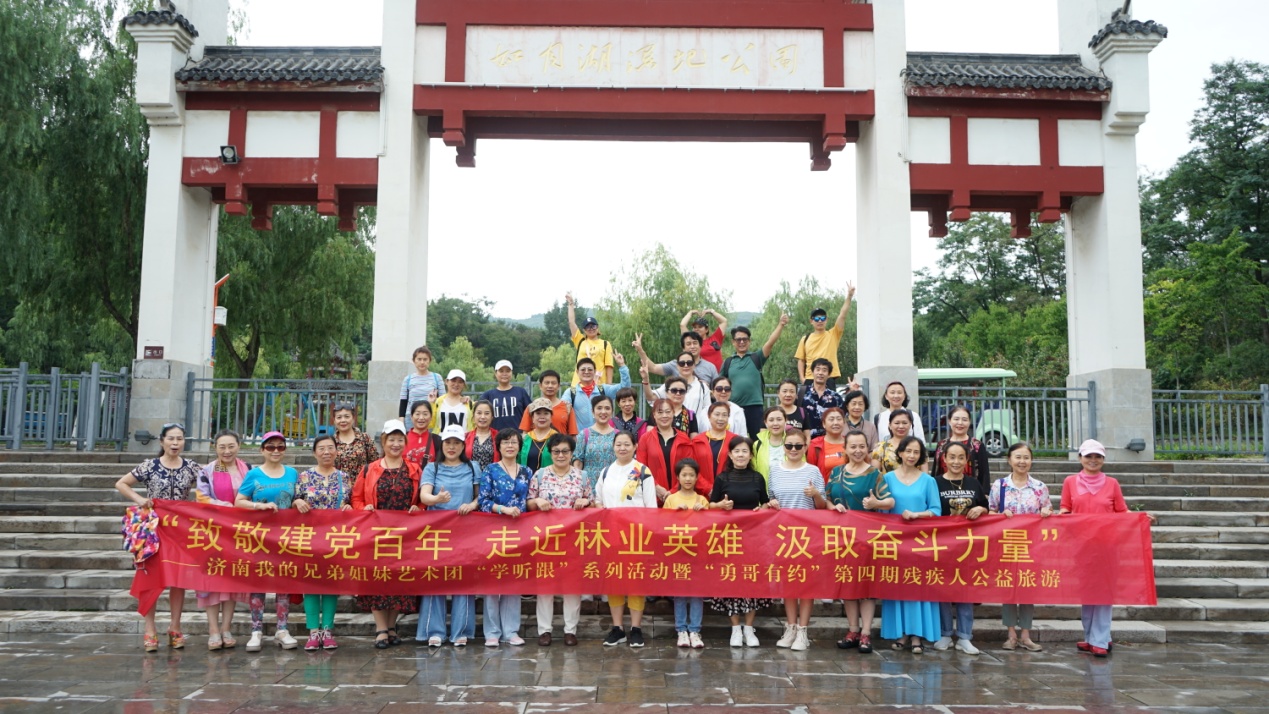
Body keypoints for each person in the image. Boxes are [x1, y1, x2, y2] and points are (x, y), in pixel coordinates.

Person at [1060, 439, 1154, 657]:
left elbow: (1122, 511)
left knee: (1104, 593)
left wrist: (1140, 518)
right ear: (1080, 458)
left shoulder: (1112, 483)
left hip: (1107, 547)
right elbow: (1065, 507)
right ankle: (1090, 636)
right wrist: (1061, 517)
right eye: (1088, 456)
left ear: (1103, 459)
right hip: (1082, 547)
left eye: (1097, 457)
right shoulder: (1070, 482)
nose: (1093, 460)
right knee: (1087, 593)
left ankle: (1100, 640)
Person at [115, 422, 200, 652]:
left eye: (179, 439)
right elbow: (121, 483)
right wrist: (139, 499)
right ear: (162, 441)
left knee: (178, 579)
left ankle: (175, 627)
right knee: (150, 578)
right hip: (152, 529)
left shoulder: (191, 467)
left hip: (180, 530)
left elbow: (209, 483)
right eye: (171, 438)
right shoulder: (149, 466)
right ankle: (150, 628)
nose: (175, 443)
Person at [351, 420, 422, 649]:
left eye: (400, 439)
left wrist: (418, 508)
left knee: (398, 580)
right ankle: (381, 629)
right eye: (391, 439)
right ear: (383, 441)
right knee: (377, 580)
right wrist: (364, 509)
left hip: (404, 535)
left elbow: (421, 498)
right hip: (376, 535)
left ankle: (392, 627)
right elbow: (356, 498)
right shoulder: (369, 468)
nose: (395, 444)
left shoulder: (414, 468)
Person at [826, 430, 893, 654]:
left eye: (862, 446)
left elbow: (890, 501)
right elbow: (826, 500)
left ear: (868, 448)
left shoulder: (874, 474)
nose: (857, 450)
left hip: (867, 538)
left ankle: (866, 632)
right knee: (848, 584)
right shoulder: (836, 472)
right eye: (853, 446)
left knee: (866, 585)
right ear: (845, 448)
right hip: (842, 538)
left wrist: (876, 503)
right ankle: (852, 630)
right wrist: (833, 507)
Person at [707, 436, 777, 646]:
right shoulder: (722, 478)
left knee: (751, 580)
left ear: (750, 455)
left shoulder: (757, 478)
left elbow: (764, 503)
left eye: (744, 451)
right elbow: (711, 505)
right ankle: (735, 628)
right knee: (731, 581)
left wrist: (763, 508)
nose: (740, 455)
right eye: (736, 451)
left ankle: (749, 627)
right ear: (730, 454)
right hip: (729, 539)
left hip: (753, 538)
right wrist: (721, 506)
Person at [234, 431, 300, 652]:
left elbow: (296, 498)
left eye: (280, 447)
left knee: (283, 583)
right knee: (258, 583)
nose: (275, 451)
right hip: (259, 537)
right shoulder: (254, 474)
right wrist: (258, 506)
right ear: (262, 450)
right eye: (270, 447)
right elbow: (239, 501)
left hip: (285, 537)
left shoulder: (292, 473)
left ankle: (282, 629)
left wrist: (297, 501)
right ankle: (256, 631)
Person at [418, 424, 481, 648]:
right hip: (438, 532)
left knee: (463, 578)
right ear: (441, 445)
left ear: (463, 446)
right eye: (448, 443)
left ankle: (461, 630)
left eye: (456, 443)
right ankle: (434, 630)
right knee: (435, 579)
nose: (452, 447)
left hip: (465, 531)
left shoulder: (473, 467)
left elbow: (479, 497)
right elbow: (424, 496)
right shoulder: (432, 468)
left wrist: (471, 505)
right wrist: (437, 499)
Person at [528, 433, 593, 647]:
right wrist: (537, 501)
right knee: (545, 586)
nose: (561, 455)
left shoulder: (582, 476)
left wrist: (584, 501)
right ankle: (544, 630)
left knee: (572, 586)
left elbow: (592, 502)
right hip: (546, 539)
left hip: (573, 539)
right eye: (556, 451)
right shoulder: (540, 475)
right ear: (550, 453)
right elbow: (528, 502)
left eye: (565, 451)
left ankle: (570, 630)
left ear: (572, 453)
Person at [595, 430, 658, 647]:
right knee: (614, 580)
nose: (622, 448)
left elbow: (651, 507)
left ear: (635, 446)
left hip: (635, 537)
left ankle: (636, 628)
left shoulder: (643, 471)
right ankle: (617, 628)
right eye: (618, 444)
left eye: (626, 444)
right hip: (611, 536)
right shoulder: (606, 472)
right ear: (613, 447)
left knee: (635, 581)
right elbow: (598, 500)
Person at [881, 436, 942, 654]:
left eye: (916, 452)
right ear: (900, 453)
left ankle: (917, 635)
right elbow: (882, 511)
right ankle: (901, 633)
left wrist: (917, 515)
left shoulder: (928, 480)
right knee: (898, 586)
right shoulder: (887, 478)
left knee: (917, 586)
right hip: (895, 543)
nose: (912, 455)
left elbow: (936, 510)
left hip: (920, 543)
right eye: (908, 451)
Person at [988, 442, 1051, 652]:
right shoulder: (1000, 486)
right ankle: (1011, 634)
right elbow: (990, 512)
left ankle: (1025, 634)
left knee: (1027, 588)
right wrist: (1000, 515)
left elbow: (1048, 510)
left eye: (1026, 457)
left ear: (1031, 460)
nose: (1022, 461)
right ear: (1009, 460)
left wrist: (1047, 512)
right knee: (1008, 588)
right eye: (1018, 457)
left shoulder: (1040, 487)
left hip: (1031, 547)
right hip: (1007, 545)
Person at [768, 429, 827, 651]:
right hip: (782, 534)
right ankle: (790, 627)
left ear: (805, 447)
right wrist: (771, 503)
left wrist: (816, 494)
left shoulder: (813, 471)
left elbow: (822, 506)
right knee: (788, 582)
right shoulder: (775, 470)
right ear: (783, 447)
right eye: (789, 446)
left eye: (798, 446)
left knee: (806, 584)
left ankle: (803, 630)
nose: (793, 450)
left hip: (807, 535)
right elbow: (771, 498)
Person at [295, 434, 354, 651]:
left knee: (331, 583)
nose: (326, 452)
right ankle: (313, 631)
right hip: (309, 538)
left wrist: (349, 507)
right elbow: (292, 502)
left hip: (335, 538)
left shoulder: (344, 477)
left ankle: (327, 630)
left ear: (337, 451)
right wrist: (296, 501)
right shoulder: (304, 476)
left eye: (330, 448)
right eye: (321, 448)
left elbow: (351, 502)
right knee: (310, 583)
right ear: (314, 453)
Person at [932, 441, 989, 655]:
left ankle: (965, 636)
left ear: (967, 461)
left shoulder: (973, 483)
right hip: (942, 545)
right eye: (952, 457)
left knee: (965, 590)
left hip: (968, 546)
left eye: (961, 457)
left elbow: (987, 508)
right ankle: (945, 633)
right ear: (944, 459)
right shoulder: (934, 483)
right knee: (942, 589)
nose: (956, 461)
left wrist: (981, 509)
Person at [195, 429, 249, 651]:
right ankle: (213, 630)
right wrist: (227, 507)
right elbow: (201, 497)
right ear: (215, 448)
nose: (227, 451)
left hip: (239, 533)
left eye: (231, 446)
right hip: (213, 532)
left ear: (239, 446)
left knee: (231, 581)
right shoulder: (207, 471)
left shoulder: (248, 469)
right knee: (212, 581)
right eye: (222, 447)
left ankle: (226, 628)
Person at [479, 429, 533, 647]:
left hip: (520, 532)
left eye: (514, 442)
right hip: (494, 530)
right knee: (493, 580)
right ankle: (492, 631)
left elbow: (529, 499)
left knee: (513, 580)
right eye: (505, 442)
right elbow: (483, 501)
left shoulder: (527, 471)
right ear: (499, 446)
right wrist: (503, 509)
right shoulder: (490, 470)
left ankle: (511, 631)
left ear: (519, 446)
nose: (510, 446)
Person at [664, 458, 708, 649]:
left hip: (697, 554)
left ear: (697, 477)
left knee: (697, 593)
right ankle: (681, 629)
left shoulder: (702, 500)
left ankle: (695, 630)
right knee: (680, 592)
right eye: (684, 475)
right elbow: (660, 525)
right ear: (678, 477)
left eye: (691, 475)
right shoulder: (671, 499)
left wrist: (703, 511)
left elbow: (710, 527)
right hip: (677, 552)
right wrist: (673, 513)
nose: (688, 479)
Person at [721, 316, 788, 439]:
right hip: (734, 407)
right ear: (733, 342)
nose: (742, 342)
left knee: (758, 439)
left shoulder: (756, 357)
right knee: (733, 440)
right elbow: (719, 384)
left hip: (755, 406)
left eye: (745, 339)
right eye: (738, 339)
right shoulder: (728, 362)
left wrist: (781, 324)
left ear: (749, 341)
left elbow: (770, 342)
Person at [794, 282, 854, 384]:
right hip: (810, 378)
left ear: (826, 320)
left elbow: (842, 315)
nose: (820, 321)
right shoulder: (805, 339)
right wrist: (802, 378)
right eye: (817, 319)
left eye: (822, 318)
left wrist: (849, 296)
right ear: (811, 321)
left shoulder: (833, 334)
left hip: (829, 378)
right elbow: (801, 360)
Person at [635, 398, 692, 500]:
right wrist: (655, 487)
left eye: (668, 412)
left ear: (673, 413)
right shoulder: (645, 439)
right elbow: (640, 467)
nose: (664, 416)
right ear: (654, 415)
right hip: (652, 495)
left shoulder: (684, 439)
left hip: (680, 496)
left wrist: (673, 491)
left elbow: (690, 468)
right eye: (660, 412)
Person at [561, 354, 631, 430]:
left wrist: (622, 366)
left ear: (595, 372)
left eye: (590, 370)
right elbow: (562, 408)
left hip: (602, 435)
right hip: (579, 436)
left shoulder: (603, 390)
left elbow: (625, 389)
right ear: (577, 372)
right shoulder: (571, 393)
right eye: (583, 370)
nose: (586, 372)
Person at [687, 401, 738, 496]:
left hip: (728, 492)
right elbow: (691, 468)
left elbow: (739, 467)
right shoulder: (697, 441)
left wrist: (723, 488)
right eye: (717, 414)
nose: (720, 418)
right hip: (701, 494)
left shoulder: (735, 440)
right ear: (709, 416)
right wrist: (708, 488)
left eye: (724, 415)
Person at [640, 349, 710, 419]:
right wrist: (645, 379)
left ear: (694, 365)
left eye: (689, 363)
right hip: (672, 424)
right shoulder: (671, 385)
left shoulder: (703, 387)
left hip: (695, 425)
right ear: (677, 366)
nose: (686, 366)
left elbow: (707, 411)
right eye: (682, 363)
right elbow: (651, 397)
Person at [634, 329, 718, 386]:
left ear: (700, 346)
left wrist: (705, 390)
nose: (692, 346)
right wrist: (640, 350)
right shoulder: (676, 364)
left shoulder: (710, 367)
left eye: (695, 343)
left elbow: (717, 390)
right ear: (683, 348)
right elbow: (653, 368)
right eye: (688, 344)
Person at [932, 406, 991, 483]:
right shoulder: (941, 445)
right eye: (956, 419)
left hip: (970, 489)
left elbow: (984, 474)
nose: (960, 423)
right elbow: (935, 471)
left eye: (964, 420)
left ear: (969, 422)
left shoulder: (977, 446)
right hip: (943, 488)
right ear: (949, 421)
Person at [566, 292, 614, 384]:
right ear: (584, 330)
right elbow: (571, 322)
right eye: (588, 327)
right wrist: (571, 304)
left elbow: (609, 366)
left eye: (593, 326)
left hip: (598, 385)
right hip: (579, 385)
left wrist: (609, 386)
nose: (591, 329)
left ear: (597, 327)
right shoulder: (580, 341)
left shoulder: (605, 344)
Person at [574, 394, 619, 491]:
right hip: (589, 487)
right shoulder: (584, 434)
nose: (603, 411)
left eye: (607, 408)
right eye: (599, 408)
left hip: (613, 486)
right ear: (593, 412)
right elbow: (577, 462)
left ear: (612, 412)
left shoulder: (618, 435)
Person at [518, 370, 578, 436]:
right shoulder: (531, 408)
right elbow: (525, 434)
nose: (550, 386)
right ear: (540, 386)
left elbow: (572, 435)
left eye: (553, 383)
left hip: (560, 442)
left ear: (558, 386)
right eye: (547, 383)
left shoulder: (567, 407)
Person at [332, 402, 379, 481]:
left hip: (362, 485)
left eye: (347, 416)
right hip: (338, 486)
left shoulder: (364, 438)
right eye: (339, 417)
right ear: (334, 420)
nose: (343, 420)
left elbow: (375, 462)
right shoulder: (331, 441)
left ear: (353, 418)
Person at [642, 371, 699, 435]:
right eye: (674, 390)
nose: (678, 393)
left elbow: (694, 439)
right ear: (666, 392)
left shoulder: (690, 415)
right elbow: (649, 435)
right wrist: (645, 379)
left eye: (682, 391)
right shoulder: (657, 411)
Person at [799, 359, 846, 437]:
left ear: (829, 374)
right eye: (818, 369)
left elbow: (842, 418)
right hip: (806, 440)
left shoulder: (836, 397)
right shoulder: (802, 393)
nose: (820, 373)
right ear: (812, 372)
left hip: (828, 440)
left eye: (824, 370)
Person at [480, 359, 531, 431]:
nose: (504, 374)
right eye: (501, 371)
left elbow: (530, 413)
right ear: (495, 373)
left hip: (517, 435)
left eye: (508, 371)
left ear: (512, 373)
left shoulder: (521, 392)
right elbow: (477, 411)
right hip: (495, 435)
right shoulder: (488, 395)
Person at [399, 345, 445, 417]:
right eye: (419, 359)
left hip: (431, 417)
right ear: (414, 361)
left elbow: (443, 400)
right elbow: (403, 402)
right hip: (411, 417)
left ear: (429, 361)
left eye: (425, 359)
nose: (422, 362)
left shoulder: (437, 378)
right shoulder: (407, 379)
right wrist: (401, 420)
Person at [808, 407, 849, 482]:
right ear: (824, 424)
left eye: (839, 419)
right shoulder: (815, 445)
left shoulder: (850, 443)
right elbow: (810, 472)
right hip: (824, 488)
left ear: (844, 422)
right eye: (831, 419)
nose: (836, 423)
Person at [519, 398, 559, 473]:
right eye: (538, 413)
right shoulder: (524, 439)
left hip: (550, 479)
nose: (542, 417)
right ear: (532, 418)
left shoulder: (558, 439)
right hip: (527, 479)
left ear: (551, 417)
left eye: (546, 413)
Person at [872, 409, 916, 474]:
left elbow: (924, 474)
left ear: (910, 425)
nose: (901, 426)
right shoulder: (880, 447)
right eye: (897, 423)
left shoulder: (918, 446)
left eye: (904, 423)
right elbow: (874, 474)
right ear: (890, 425)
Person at [752, 407, 788, 482]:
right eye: (771, 420)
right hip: (764, 488)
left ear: (785, 421)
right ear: (765, 422)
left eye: (779, 419)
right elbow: (753, 470)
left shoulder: (793, 443)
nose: (775, 423)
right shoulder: (757, 445)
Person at [404, 400, 441, 469]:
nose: (421, 418)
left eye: (425, 414)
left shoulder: (437, 440)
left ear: (431, 417)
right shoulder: (403, 438)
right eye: (417, 414)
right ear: (411, 416)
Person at [465, 400, 498, 471]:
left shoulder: (499, 437)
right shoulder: (465, 437)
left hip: (493, 476)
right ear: (473, 416)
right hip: (470, 476)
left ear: (492, 417)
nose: (483, 417)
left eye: (487, 413)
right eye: (479, 413)